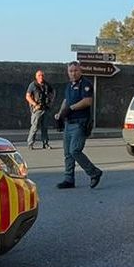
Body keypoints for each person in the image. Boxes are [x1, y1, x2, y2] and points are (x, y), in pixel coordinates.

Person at [54, 61, 103, 189]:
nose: (73, 73)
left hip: (80, 123)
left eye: (75, 70)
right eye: (71, 71)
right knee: (67, 154)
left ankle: (94, 172)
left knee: (75, 151)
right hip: (68, 123)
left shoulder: (85, 84)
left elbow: (87, 101)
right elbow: (66, 100)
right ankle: (69, 179)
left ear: (80, 71)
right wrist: (60, 114)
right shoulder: (69, 85)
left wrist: (71, 108)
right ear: (68, 72)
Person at [25, 69, 55, 149]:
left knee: (45, 127)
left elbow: (53, 92)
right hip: (37, 110)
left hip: (45, 109)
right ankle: (30, 144)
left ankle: (45, 143)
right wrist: (35, 104)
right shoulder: (33, 85)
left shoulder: (47, 85)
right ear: (36, 77)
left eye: (42, 75)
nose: (41, 77)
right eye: (39, 75)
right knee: (34, 127)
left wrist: (51, 101)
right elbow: (27, 96)